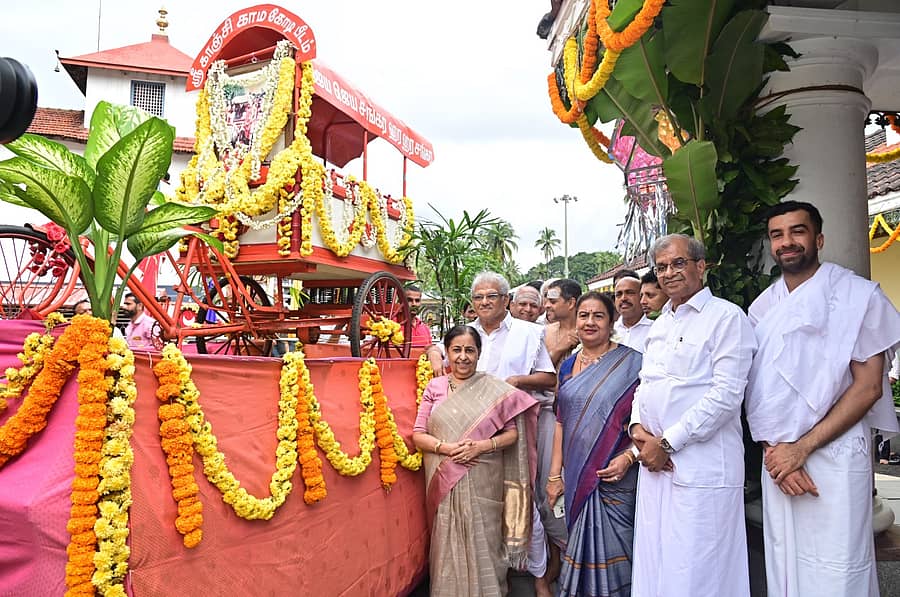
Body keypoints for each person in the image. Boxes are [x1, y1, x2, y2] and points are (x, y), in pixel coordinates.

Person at [745, 201, 900, 597]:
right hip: (778, 459)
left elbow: (868, 388)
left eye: (798, 231)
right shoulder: (761, 308)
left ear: (819, 238)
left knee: (837, 565)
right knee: (786, 562)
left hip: (834, 452)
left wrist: (803, 448)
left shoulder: (857, 295)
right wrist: (778, 451)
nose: (787, 242)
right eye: (777, 235)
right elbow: (756, 392)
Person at [628, 234, 755, 597]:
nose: (669, 273)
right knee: (657, 564)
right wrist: (638, 428)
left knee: (700, 571)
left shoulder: (727, 318)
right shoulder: (661, 323)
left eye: (678, 263)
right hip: (656, 464)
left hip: (700, 467)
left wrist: (667, 442)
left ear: (701, 266)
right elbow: (645, 383)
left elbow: (727, 394)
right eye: (662, 267)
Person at [426, 271, 557, 597]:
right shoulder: (465, 334)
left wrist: (514, 384)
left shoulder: (529, 334)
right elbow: (442, 355)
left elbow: (548, 379)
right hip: (464, 433)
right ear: (473, 303)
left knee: (519, 498)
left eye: (492, 297)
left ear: (506, 300)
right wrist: (431, 350)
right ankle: (494, 573)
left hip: (512, 426)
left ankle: (539, 576)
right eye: (479, 298)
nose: (485, 302)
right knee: (479, 509)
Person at [413, 326, 538, 597]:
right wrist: (446, 448)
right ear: (446, 353)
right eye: (456, 350)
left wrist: (480, 446)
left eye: (470, 350)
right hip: (445, 478)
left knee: (486, 540)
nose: (463, 357)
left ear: (479, 354)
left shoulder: (493, 388)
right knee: (448, 540)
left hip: (484, 478)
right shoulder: (434, 386)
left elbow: (513, 435)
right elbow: (418, 435)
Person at [547, 291, 642, 596]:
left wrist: (629, 456)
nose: (589, 322)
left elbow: (648, 422)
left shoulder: (633, 364)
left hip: (616, 475)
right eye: (584, 316)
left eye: (598, 316)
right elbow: (561, 421)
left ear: (612, 321)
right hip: (576, 475)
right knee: (579, 541)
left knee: (620, 546)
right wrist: (554, 475)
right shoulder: (567, 366)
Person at [543, 278, 581, 368]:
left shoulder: (589, 330)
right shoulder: (544, 332)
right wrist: (558, 350)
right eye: (547, 301)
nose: (546, 305)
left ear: (571, 303)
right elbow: (538, 371)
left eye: (553, 302)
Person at [613, 274, 653, 352]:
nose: (623, 298)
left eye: (630, 293)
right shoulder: (609, 331)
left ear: (641, 296)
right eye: (619, 294)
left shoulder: (654, 328)